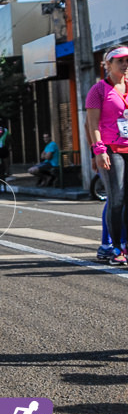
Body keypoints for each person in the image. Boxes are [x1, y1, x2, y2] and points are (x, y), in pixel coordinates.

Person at [86, 44, 128, 265]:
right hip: (112, 149)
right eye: (120, 60)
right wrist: (98, 151)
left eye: (127, 60)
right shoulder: (99, 90)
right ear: (108, 64)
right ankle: (115, 248)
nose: (125, 64)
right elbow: (91, 123)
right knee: (117, 198)